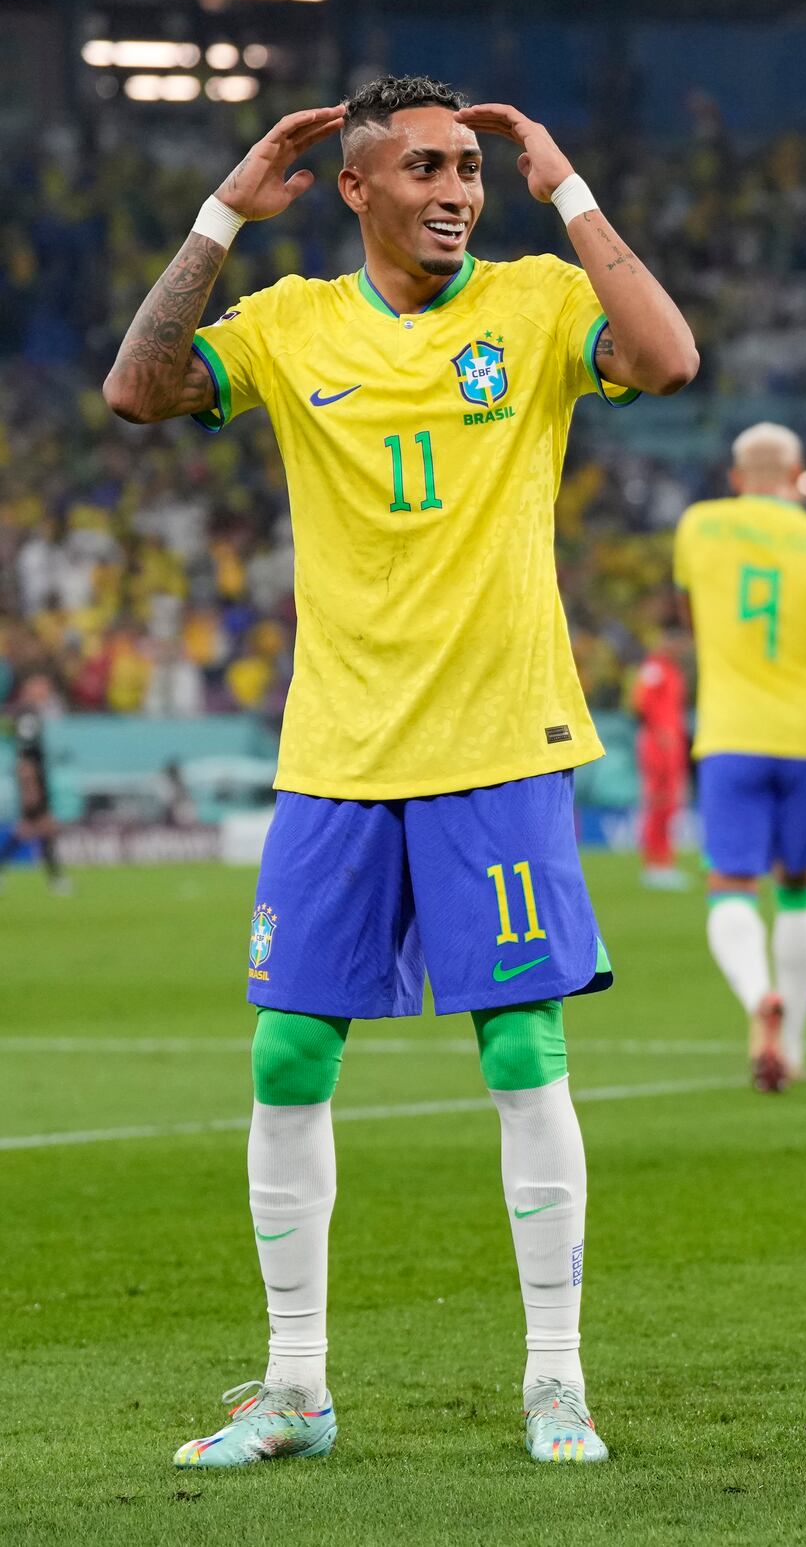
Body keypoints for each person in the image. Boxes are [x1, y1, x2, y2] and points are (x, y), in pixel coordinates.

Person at [102, 75, 699, 1468]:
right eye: (424, 168)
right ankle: (295, 1384)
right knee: (290, 1049)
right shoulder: (293, 320)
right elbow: (137, 388)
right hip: (340, 748)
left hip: (499, 740)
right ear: (354, 187)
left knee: (520, 1045)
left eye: (468, 171)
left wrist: (567, 187)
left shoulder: (540, 304)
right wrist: (218, 219)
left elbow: (667, 358)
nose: (453, 191)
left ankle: (557, 1376)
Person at [672, 422, 806, 1091]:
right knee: (799, 891)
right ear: (798, 476)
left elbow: (689, 616)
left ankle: (757, 993)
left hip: (732, 733)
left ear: (737, 478)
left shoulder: (698, 528)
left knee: (730, 886)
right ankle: (788, 1041)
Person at [630, 635, 690, 892]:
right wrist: (658, 729)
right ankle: (655, 864)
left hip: (671, 742)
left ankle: (664, 862)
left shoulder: (671, 670)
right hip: (658, 743)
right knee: (658, 802)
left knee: (669, 803)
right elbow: (639, 700)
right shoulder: (654, 668)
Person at [10, 675, 70, 894]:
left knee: (33, 828)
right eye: (42, 686)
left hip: (35, 777)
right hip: (32, 779)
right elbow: (25, 754)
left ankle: (56, 879)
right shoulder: (28, 715)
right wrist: (30, 786)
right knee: (42, 827)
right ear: (30, 688)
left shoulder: (30, 713)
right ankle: (57, 880)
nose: (46, 690)